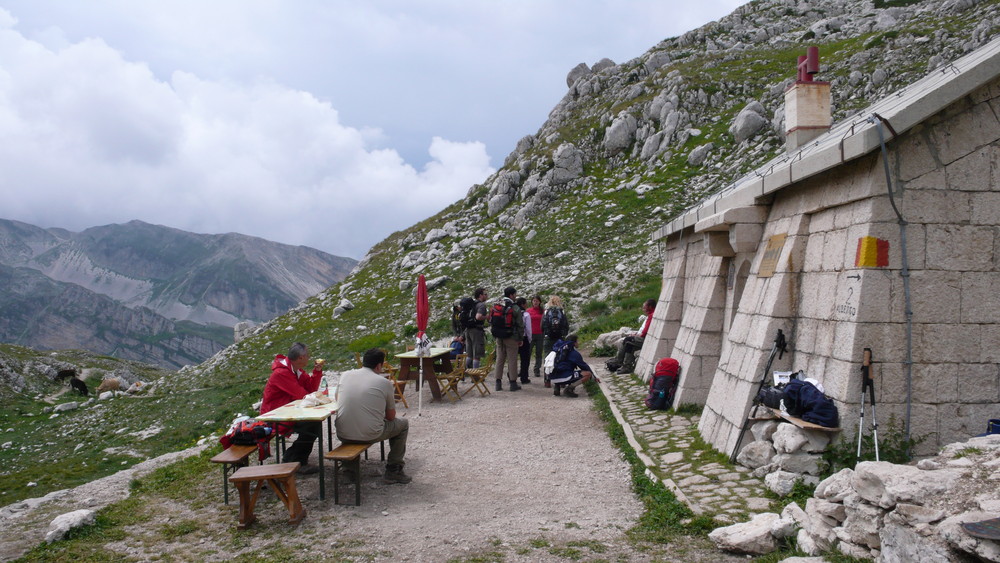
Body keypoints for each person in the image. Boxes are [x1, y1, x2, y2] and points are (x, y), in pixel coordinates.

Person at [335, 348, 412, 484]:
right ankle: (394, 469)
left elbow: (337, 398)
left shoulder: (345, 375)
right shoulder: (384, 383)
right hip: (370, 434)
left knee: (351, 421)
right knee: (403, 424)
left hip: (342, 433)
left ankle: (348, 470)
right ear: (379, 366)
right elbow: (390, 416)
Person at [260, 342, 324, 474]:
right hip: (275, 416)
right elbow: (302, 395)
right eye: (307, 355)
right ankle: (295, 460)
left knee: (313, 424)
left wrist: (317, 372)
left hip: (288, 411)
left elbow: (311, 389)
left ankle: (294, 457)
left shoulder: (296, 370)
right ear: (300, 358)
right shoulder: (282, 373)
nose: (309, 357)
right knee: (312, 425)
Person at [492, 286, 524, 392]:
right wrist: (520, 338)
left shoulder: (498, 305)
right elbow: (520, 324)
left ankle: (498, 382)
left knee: (500, 359)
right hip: (511, 336)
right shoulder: (514, 307)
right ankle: (513, 383)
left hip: (499, 336)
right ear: (511, 295)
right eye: (515, 294)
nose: (516, 296)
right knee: (512, 359)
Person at [614, 298, 656, 375]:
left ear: (650, 307)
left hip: (645, 339)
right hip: (644, 337)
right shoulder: (651, 315)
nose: (643, 309)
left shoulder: (651, 316)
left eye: (644, 307)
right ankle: (626, 365)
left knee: (627, 340)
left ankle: (619, 362)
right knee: (629, 344)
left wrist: (637, 335)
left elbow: (645, 331)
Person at [541, 295, 570, 388]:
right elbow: (566, 326)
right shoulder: (562, 312)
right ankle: (561, 380)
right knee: (560, 358)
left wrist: (546, 333)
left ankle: (547, 380)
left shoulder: (546, 312)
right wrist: (563, 335)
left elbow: (542, 326)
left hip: (548, 338)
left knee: (547, 358)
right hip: (559, 338)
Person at [464, 287, 489, 369]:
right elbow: (478, 317)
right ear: (480, 295)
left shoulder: (472, 305)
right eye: (485, 294)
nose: (487, 296)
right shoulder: (481, 305)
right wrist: (487, 317)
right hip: (476, 330)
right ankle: (476, 375)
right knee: (477, 354)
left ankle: (462, 372)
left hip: (468, 329)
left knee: (469, 354)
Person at [527, 295, 545, 379]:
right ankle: (525, 368)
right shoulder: (528, 311)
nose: (535, 302)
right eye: (534, 300)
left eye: (537, 301)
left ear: (539, 302)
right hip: (530, 334)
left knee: (539, 352)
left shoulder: (543, 311)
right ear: (532, 302)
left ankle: (537, 369)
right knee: (528, 352)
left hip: (540, 334)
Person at [515, 297, 532, 385]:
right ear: (522, 304)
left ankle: (511, 375)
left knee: (513, 358)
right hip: (524, 338)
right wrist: (529, 339)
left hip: (514, 338)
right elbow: (528, 328)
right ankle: (524, 377)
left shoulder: (514, 313)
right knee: (525, 359)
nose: (527, 305)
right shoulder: (526, 314)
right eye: (525, 303)